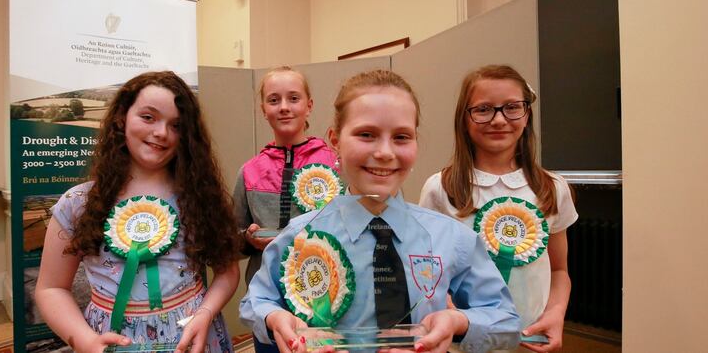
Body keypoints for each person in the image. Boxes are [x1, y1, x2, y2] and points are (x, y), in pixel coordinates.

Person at [241, 69, 520, 353]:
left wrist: (458, 321)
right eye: (366, 134)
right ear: (335, 140)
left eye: (401, 137)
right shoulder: (300, 236)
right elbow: (257, 300)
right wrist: (275, 318)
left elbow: (505, 319)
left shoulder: (451, 238)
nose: (385, 152)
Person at [35, 71, 240, 353]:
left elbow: (227, 271)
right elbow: (51, 289)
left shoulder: (199, 198)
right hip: (109, 340)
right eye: (148, 117)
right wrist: (83, 339)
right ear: (121, 117)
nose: (161, 132)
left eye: (176, 125)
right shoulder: (79, 202)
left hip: (190, 337)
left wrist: (206, 312)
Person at [419, 65, 578, 353]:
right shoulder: (440, 188)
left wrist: (555, 314)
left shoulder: (552, 188)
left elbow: (559, 269)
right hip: (463, 342)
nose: (499, 119)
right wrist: (447, 310)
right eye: (483, 109)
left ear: (527, 114)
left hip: (530, 339)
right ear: (464, 119)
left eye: (511, 108)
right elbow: (427, 271)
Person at [234, 66, 338, 353]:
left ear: (309, 105)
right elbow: (231, 239)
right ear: (263, 109)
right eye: (274, 100)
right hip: (271, 304)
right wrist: (247, 239)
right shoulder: (249, 171)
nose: (284, 108)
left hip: (329, 298)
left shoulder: (336, 164)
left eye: (293, 98)